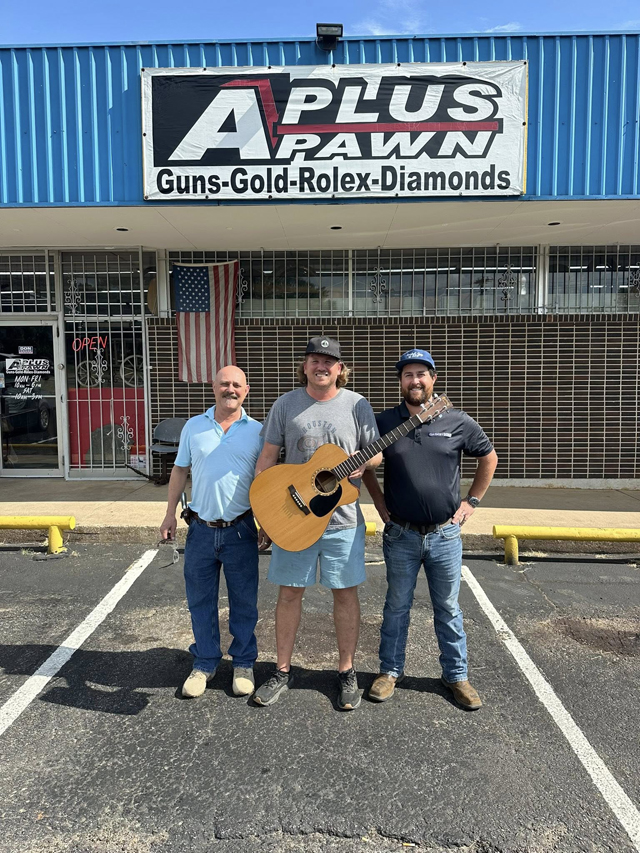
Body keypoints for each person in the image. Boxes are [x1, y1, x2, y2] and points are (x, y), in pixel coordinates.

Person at [362, 349, 498, 710]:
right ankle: (390, 671)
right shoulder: (385, 421)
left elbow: (489, 457)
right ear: (400, 382)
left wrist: (472, 502)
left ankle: (456, 676)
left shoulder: (456, 420)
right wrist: (378, 501)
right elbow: (367, 466)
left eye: (422, 373)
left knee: (448, 608)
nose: (415, 380)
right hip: (401, 535)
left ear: (433, 379)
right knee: (396, 606)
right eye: (408, 374)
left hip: (444, 535)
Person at [252, 336, 381, 710]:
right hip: (293, 519)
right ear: (304, 366)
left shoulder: (357, 405)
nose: (322, 366)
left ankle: (346, 672)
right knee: (290, 593)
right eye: (314, 360)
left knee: (345, 593)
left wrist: (366, 462)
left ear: (341, 369)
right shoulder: (285, 404)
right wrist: (264, 511)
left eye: (330, 361)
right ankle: (281, 670)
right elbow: (267, 459)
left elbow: (377, 454)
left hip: (342, 521)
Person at [160, 365, 267, 699]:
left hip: (241, 530)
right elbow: (179, 471)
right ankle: (205, 662)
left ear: (246, 390)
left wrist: (268, 523)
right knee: (200, 601)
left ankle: (243, 663)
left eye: (236, 384)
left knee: (244, 602)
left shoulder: (259, 432)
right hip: (201, 531)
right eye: (224, 384)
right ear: (213, 387)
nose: (230, 389)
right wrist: (168, 515)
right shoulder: (194, 426)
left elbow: (267, 483)